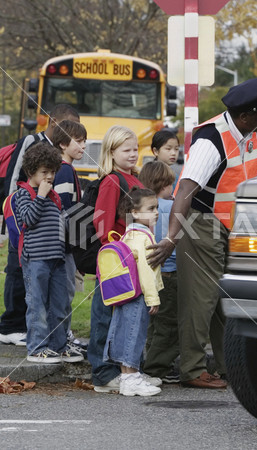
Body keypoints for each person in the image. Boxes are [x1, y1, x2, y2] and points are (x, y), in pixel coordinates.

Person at [147, 77, 257, 389]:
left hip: (233, 225)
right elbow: (184, 192)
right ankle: (192, 369)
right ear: (245, 116)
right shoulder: (211, 140)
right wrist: (172, 238)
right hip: (200, 222)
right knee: (200, 299)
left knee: (228, 299)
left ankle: (227, 363)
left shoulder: (250, 131)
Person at [87, 125, 161, 393]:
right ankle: (103, 374)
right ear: (112, 152)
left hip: (134, 262)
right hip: (117, 263)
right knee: (105, 316)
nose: (132, 154)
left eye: (135, 149)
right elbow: (103, 225)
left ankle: (130, 370)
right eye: (126, 150)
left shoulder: (136, 179)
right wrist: (118, 256)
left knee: (127, 320)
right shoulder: (112, 180)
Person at [0, 104, 80, 346]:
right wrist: (10, 215)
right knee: (17, 268)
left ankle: (36, 330)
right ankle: (10, 326)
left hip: (43, 225)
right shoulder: (32, 141)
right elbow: (15, 175)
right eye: (65, 127)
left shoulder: (58, 156)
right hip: (22, 216)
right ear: (53, 123)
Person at [16, 142, 83, 363]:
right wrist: (41, 196)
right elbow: (28, 219)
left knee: (60, 304)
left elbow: (61, 224)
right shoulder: (23, 194)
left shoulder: (54, 196)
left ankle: (59, 345)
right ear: (31, 171)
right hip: (36, 259)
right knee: (37, 305)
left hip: (57, 258)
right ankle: (37, 348)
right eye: (44, 172)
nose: (50, 177)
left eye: (52, 172)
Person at [103, 187, 163, 396]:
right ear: (135, 213)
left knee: (124, 333)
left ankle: (129, 377)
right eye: (151, 208)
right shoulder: (143, 238)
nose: (156, 212)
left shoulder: (129, 234)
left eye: (156, 207)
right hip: (138, 295)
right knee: (134, 336)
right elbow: (145, 271)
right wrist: (152, 297)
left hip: (125, 294)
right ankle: (131, 380)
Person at [139, 161, 180, 383]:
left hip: (150, 274)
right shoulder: (170, 208)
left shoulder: (142, 209)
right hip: (170, 273)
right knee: (169, 325)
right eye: (170, 185)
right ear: (163, 184)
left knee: (153, 323)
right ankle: (157, 368)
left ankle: (148, 360)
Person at [52, 120, 87, 349]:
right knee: (63, 294)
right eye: (79, 141)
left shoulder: (65, 168)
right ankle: (61, 340)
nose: (84, 146)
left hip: (64, 243)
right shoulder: (64, 170)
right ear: (63, 144)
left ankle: (63, 337)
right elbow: (65, 210)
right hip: (64, 244)